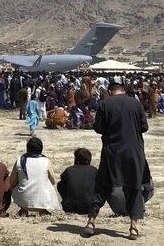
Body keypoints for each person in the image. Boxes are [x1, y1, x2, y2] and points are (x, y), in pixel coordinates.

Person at [85, 83, 150, 240]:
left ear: (109, 92)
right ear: (123, 90)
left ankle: (91, 222)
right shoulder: (135, 103)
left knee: (102, 185)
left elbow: (98, 128)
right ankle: (134, 226)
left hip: (112, 151)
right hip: (134, 152)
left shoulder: (105, 104)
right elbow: (144, 127)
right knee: (133, 187)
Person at [10, 137, 60, 216]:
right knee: (48, 184)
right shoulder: (46, 161)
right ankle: (43, 211)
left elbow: (12, 182)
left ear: (27, 148)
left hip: (22, 201)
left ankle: (23, 210)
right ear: (41, 149)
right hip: (43, 202)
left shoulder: (20, 160)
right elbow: (53, 181)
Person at [57, 148, 97, 214]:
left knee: (60, 184)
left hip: (69, 207)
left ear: (77, 160)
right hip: (90, 207)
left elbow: (60, 185)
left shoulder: (69, 170)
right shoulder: (94, 170)